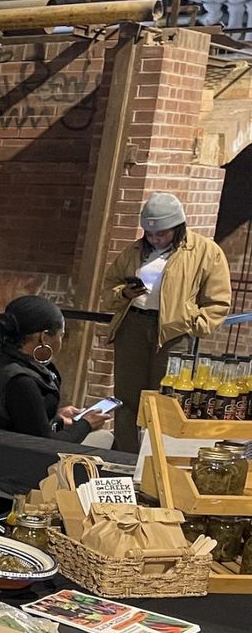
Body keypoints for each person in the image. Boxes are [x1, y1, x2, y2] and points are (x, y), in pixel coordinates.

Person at [104, 191, 231, 451]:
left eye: (162, 233)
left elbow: (219, 301)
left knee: (165, 400)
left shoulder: (205, 251)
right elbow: (109, 285)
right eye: (150, 234)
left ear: (178, 227)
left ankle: (156, 458)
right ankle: (125, 456)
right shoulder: (135, 250)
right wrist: (124, 293)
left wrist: (193, 323)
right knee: (127, 398)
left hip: (174, 333)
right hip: (134, 326)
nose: (155, 238)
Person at [0, 295, 109, 443]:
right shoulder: (20, 380)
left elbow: (14, 419)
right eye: (61, 335)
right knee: (106, 439)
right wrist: (86, 424)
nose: (61, 341)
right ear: (44, 337)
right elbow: (44, 445)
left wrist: (56, 418)